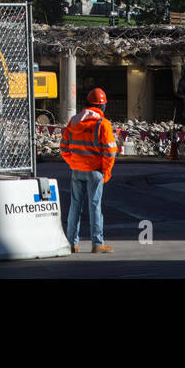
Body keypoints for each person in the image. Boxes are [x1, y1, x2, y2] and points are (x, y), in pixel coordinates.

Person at [60, 87, 117, 253]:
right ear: (102, 106)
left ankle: (72, 243)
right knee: (95, 206)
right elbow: (110, 152)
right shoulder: (103, 124)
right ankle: (97, 243)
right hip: (95, 171)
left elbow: (63, 148)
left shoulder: (74, 121)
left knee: (75, 205)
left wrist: (74, 163)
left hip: (76, 170)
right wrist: (106, 172)